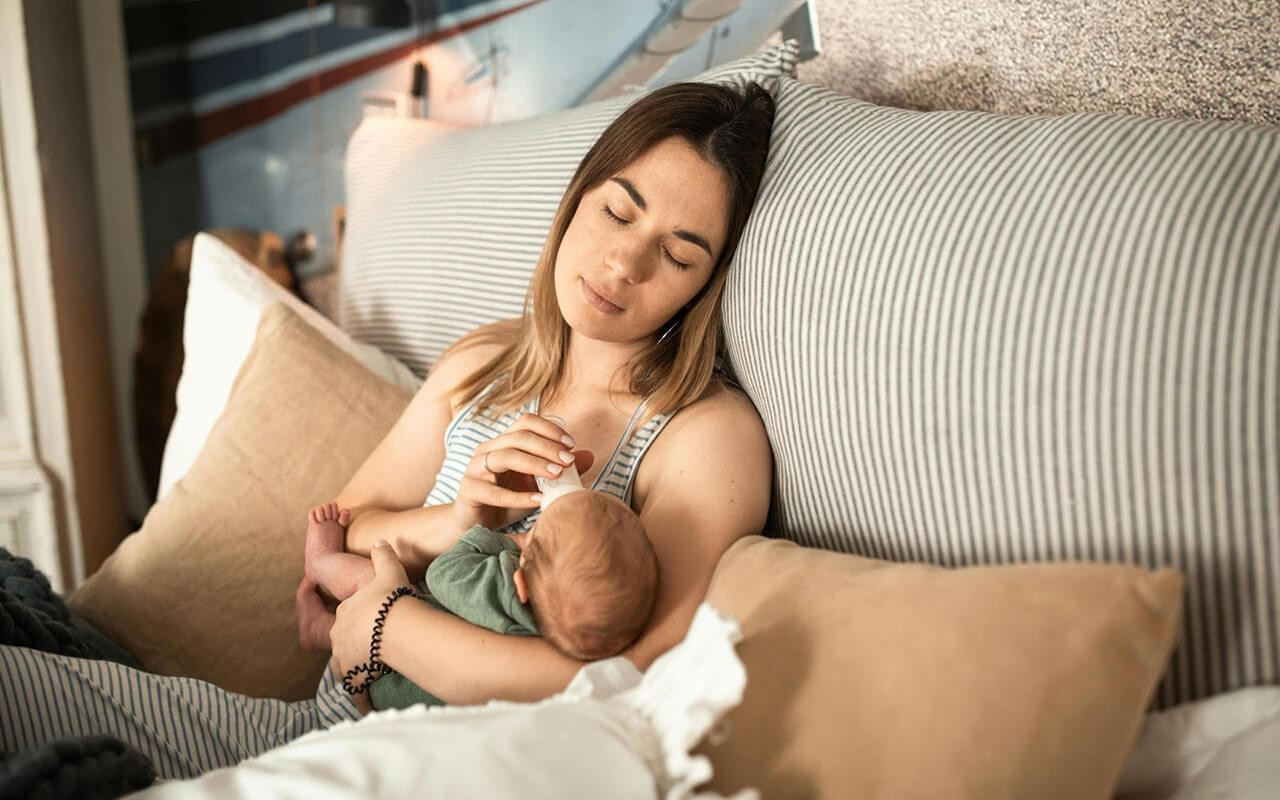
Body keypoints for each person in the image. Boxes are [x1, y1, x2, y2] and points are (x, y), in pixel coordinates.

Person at [0, 78, 776, 779]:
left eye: (678, 254)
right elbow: (347, 526)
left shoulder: (703, 433)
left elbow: (634, 674)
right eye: (617, 209)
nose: (625, 263)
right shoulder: (484, 362)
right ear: (577, 198)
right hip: (309, 729)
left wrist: (383, 626)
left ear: (705, 286)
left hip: (421, 762)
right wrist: (463, 518)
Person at [295, 487, 659, 669]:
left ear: (521, 584)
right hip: (417, 689)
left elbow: (443, 574)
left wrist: (509, 540)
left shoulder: (500, 591)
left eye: (536, 535)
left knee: (380, 580)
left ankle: (321, 561)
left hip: (398, 674)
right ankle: (320, 629)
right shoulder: (566, 635)